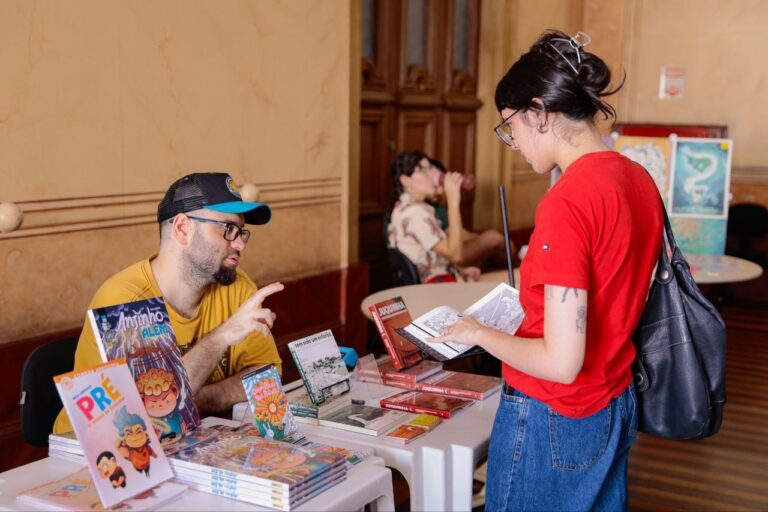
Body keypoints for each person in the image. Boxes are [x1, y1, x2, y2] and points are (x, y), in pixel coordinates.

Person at [430, 30, 663, 511]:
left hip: (556, 412)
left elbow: (561, 362)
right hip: (614, 398)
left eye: (509, 126)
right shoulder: (636, 178)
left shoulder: (569, 200)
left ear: (538, 112)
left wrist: (477, 331)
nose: (511, 141)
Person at [53, 172, 284, 433]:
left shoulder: (236, 285)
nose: (240, 244)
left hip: (185, 441)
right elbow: (148, 417)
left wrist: (198, 399)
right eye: (228, 229)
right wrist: (223, 337)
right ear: (183, 228)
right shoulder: (123, 301)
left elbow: (267, 375)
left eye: (242, 232)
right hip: (92, 455)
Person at [387, 150, 480, 283]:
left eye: (430, 168)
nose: (432, 175)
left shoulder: (405, 207)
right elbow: (456, 255)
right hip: (437, 289)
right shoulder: (414, 213)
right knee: (515, 281)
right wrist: (453, 200)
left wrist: (459, 270)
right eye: (423, 170)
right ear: (405, 180)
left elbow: (427, 257)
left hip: (443, 280)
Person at [428, 157, 510, 271]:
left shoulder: (438, 209)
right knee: (493, 239)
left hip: (456, 253)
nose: (440, 190)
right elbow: (454, 254)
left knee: (497, 241)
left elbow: (463, 235)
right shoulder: (416, 212)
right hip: (444, 260)